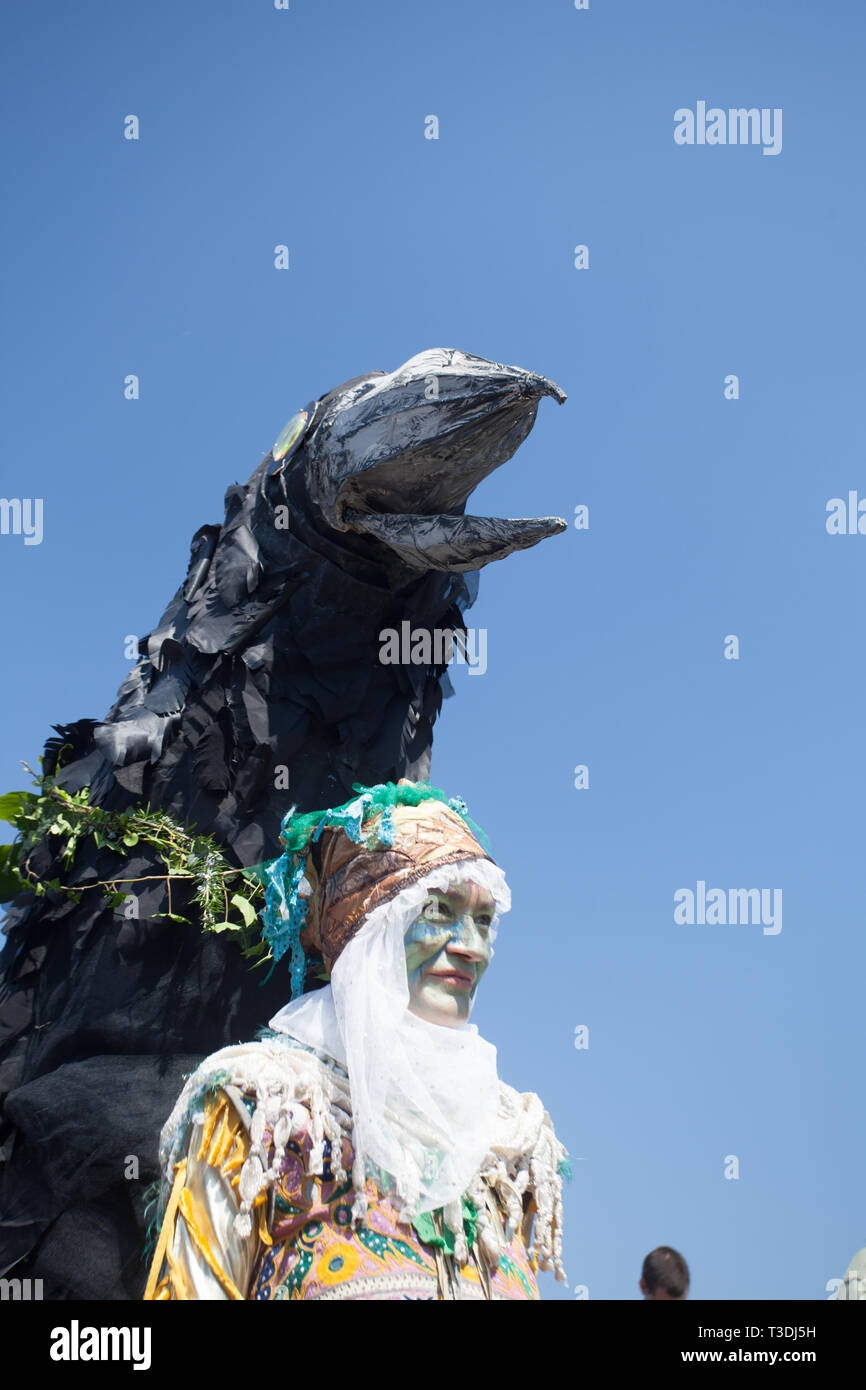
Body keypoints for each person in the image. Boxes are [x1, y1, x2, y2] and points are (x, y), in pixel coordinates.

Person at [144, 781, 567, 1300]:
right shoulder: (261, 1107)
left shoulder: (510, 1144)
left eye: (483, 921)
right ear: (368, 929)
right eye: (439, 911)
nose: (472, 948)